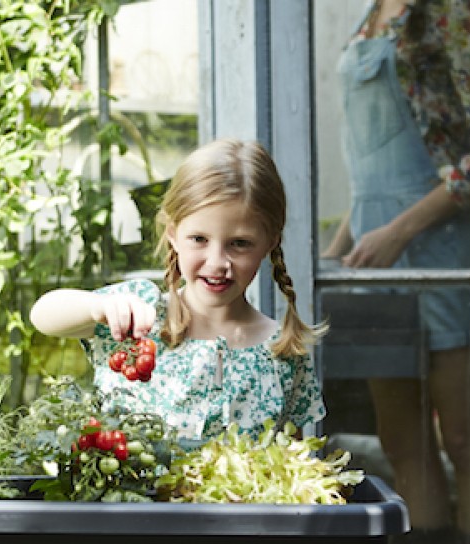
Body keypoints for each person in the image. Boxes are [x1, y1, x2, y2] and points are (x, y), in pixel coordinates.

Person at [321, 0, 470, 544]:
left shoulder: (455, 11)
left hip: (440, 246)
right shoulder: (370, 15)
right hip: (373, 251)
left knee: (460, 429)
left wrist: (399, 230)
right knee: (400, 429)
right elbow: (370, 174)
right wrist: (339, 251)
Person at [30, 138, 326, 447]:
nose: (217, 263)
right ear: (173, 234)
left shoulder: (282, 350)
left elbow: (297, 464)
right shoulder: (139, 317)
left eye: (239, 243)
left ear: (269, 243)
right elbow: (43, 315)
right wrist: (98, 306)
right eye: (199, 239)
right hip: (132, 497)